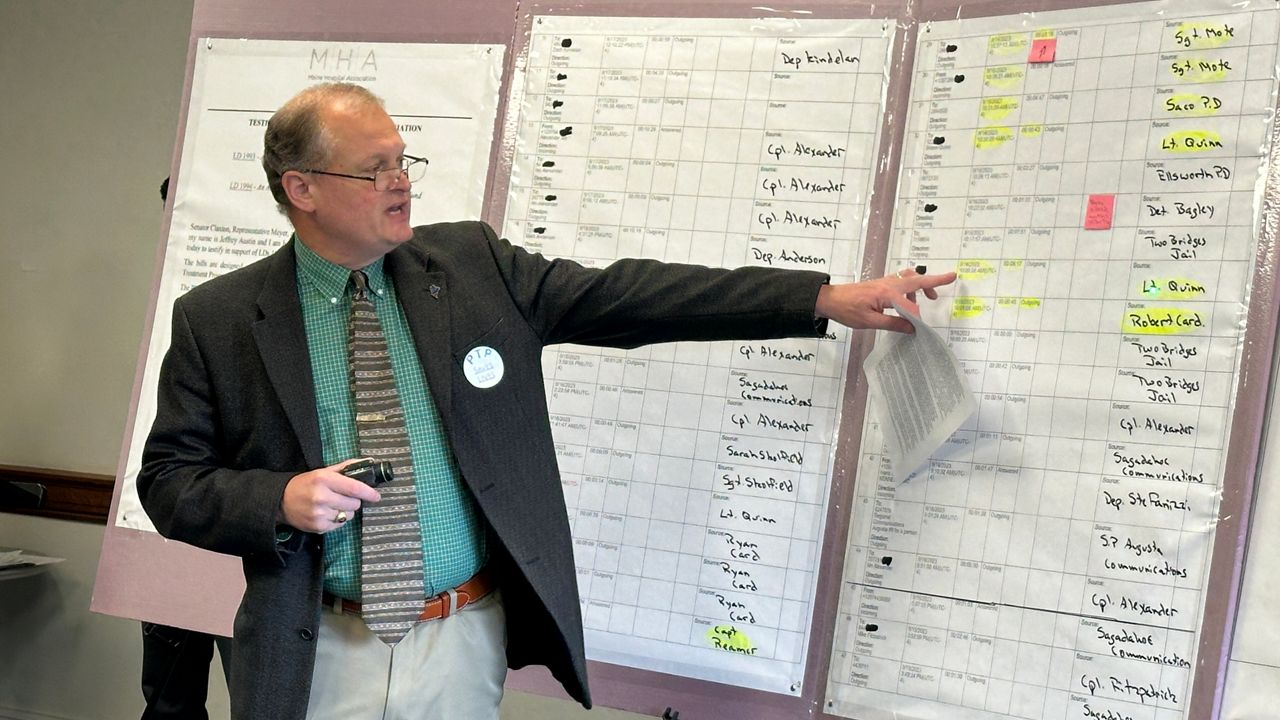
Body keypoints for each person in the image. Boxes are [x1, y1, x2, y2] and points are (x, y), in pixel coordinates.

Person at [138, 82, 955, 720]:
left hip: (460, 637)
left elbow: (631, 296)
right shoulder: (220, 318)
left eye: (403, 160)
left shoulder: (468, 267)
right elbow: (169, 481)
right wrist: (277, 498)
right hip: (316, 642)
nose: (400, 183)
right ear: (302, 189)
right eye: (375, 169)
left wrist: (820, 297)